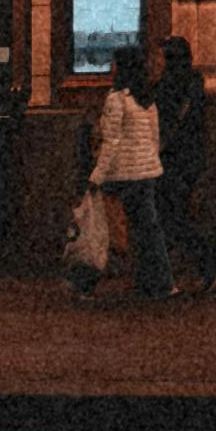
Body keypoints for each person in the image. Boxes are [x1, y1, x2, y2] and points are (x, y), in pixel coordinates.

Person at [87, 52, 172, 307]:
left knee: (104, 228)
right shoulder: (147, 99)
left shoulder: (116, 99)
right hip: (147, 171)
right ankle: (156, 281)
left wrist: (97, 176)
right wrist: (150, 160)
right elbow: (155, 137)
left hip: (124, 172)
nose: (111, 68)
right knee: (148, 229)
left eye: (114, 64)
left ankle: (89, 280)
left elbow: (110, 143)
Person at [148, 27, 213, 291]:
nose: (156, 61)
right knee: (173, 214)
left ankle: (207, 260)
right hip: (187, 156)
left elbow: (171, 121)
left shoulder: (170, 87)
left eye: (161, 57)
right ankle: (195, 262)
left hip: (175, 158)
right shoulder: (191, 83)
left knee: (172, 215)